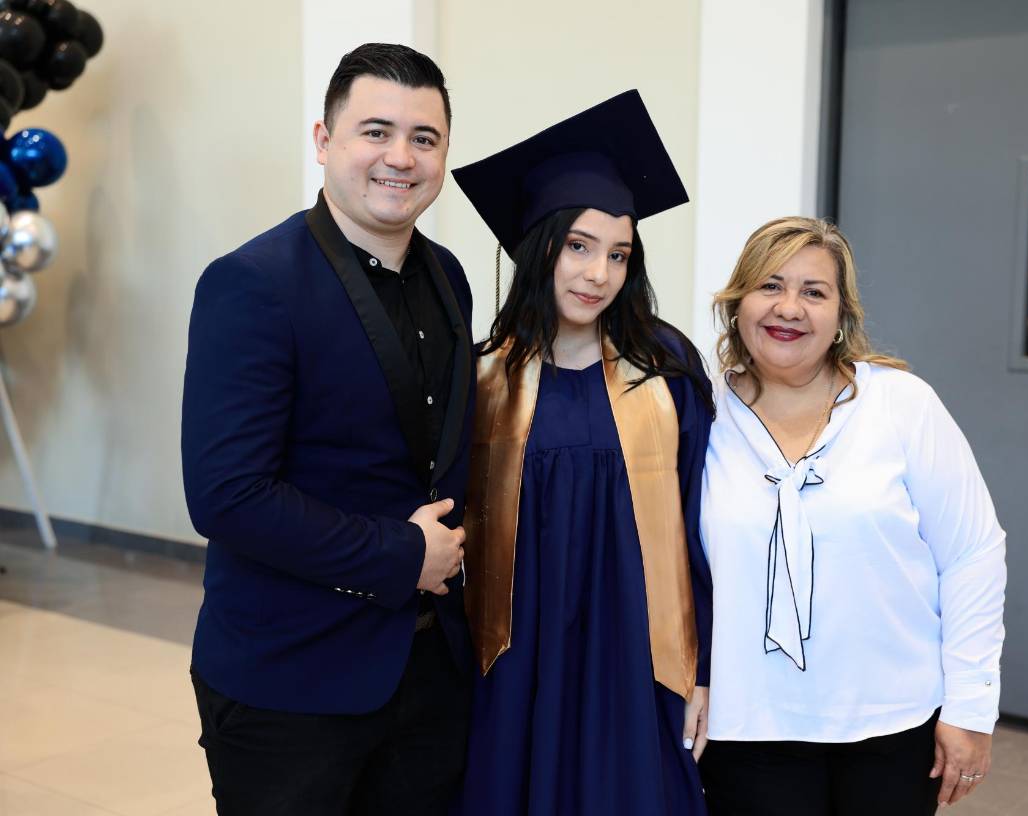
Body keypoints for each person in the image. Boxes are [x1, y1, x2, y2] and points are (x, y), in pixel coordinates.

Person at [181, 43, 474, 814]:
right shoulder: (252, 283)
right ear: (323, 140)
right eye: (375, 131)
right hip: (289, 678)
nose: (400, 158)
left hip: (426, 671)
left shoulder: (449, 275)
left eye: (424, 138)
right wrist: (401, 553)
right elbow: (226, 496)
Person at [450, 90, 714, 815]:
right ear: (540, 247)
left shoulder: (666, 375)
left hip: (636, 662)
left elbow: (700, 532)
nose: (599, 273)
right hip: (515, 664)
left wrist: (705, 672)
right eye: (579, 246)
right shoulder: (484, 380)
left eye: (619, 254)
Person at [697, 217, 1007, 814]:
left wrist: (971, 707)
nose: (790, 307)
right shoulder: (697, 412)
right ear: (737, 305)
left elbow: (973, 553)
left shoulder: (900, 404)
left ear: (842, 316)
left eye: (814, 292)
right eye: (770, 285)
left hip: (891, 723)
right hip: (746, 725)